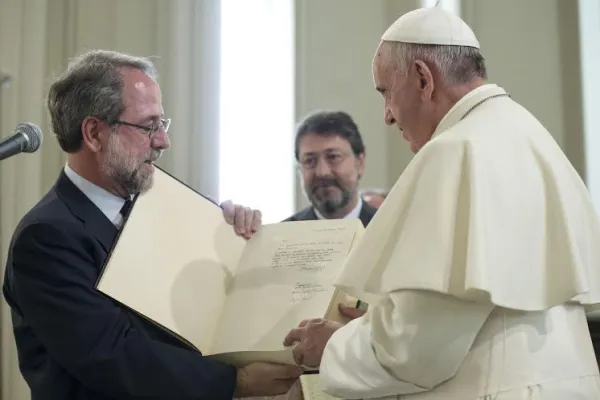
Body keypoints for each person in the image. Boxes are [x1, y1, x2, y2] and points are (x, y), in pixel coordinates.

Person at [283, 6, 600, 399]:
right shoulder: (529, 134)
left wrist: (332, 346)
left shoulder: (454, 152)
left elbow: (416, 354)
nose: (386, 115)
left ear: (422, 78)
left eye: (385, 91)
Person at [2, 49, 302, 400]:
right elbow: (113, 355)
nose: (163, 140)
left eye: (163, 124)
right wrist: (235, 383)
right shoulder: (46, 238)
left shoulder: (163, 210)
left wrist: (229, 238)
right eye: (148, 126)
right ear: (95, 133)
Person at [284, 110, 376, 227]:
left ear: (360, 163)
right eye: (309, 160)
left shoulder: (390, 229)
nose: (322, 172)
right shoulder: (284, 236)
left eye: (333, 157)